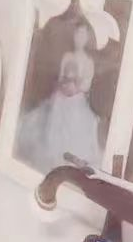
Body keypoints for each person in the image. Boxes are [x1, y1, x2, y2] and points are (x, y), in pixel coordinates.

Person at [15, 20, 103, 173]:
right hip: (62, 94)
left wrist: (75, 88)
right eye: (77, 34)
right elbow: (61, 77)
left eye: (83, 35)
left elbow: (86, 85)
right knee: (56, 106)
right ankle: (52, 149)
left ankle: (70, 153)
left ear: (87, 38)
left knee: (77, 114)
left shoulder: (88, 62)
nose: (79, 38)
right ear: (74, 36)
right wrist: (64, 85)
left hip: (77, 96)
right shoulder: (67, 57)